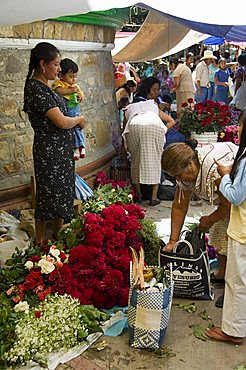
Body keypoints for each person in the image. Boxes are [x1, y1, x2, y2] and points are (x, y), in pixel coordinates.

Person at [161, 141, 238, 306]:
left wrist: (209, 220)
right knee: (219, 231)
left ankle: (235, 291)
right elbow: (180, 206)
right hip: (229, 200)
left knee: (236, 239)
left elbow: (229, 205)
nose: (178, 180)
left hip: (239, 198)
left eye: (178, 175)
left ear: (190, 164)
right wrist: (173, 241)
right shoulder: (187, 172)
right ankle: (223, 275)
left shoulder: (213, 170)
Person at [23, 42, 86, 244]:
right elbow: (61, 121)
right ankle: (40, 241)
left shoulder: (45, 87)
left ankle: (58, 235)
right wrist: (79, 120)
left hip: (60, 150)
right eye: (56, 65)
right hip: (50, 150)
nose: (59, 69)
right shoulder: (36, 89)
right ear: (43, 64)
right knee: (48, 193)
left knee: (61, 191)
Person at [205, 108, 246, 345]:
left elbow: (235, 196)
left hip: (242, 232)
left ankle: (233, 332)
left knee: (237, 284)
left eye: (240, 125)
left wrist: (225, 178)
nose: (237, 129)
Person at [122, 99, 175, 206]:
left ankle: (138, 194)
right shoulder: (153, 106)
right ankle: (154, 197)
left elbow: (124, 129)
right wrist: (164, 130)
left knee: (135, 158)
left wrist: (124, 158)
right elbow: (172, 121)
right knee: (156, 159)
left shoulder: (128, 109)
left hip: (134, 124)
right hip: (154, 124)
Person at [52, 58, 86, 160]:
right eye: (71, 77)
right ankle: (76, 148)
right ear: (61, 75)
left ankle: (81, 146)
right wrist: (71, 90)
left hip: (74, 109)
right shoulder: (59, 84)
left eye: (75, 77)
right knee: (72, 129)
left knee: (77, 128)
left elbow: (82, 95)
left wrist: (80, 97)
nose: (74, 80)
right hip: (67, 111)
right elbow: (58, 91)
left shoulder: (75, 86)